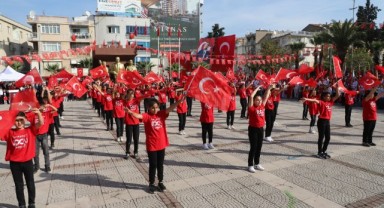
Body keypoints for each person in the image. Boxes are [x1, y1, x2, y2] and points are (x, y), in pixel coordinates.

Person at [125, 97, 183, 193]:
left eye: (157, 107)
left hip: (161, 144)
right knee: (153, 165)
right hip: (152, 145)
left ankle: (160, 182)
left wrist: (179, 101)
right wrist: (130, 112)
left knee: (160, 165)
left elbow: (170, 108)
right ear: (148, 108)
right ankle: (151, 183)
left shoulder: (161, 114)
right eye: (153, 108)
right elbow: (139, 116)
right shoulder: (147, 116)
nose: (155, 110)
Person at [1, 109, 43, 208]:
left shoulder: (30, 130)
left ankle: (32, 203)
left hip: (27, 162)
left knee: (30, 183)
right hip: (14, 164)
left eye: (21, 120)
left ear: (25, 120)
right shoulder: (9, 132)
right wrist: (10, 119)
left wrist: (38, 113)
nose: (19, 123)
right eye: (17, 120)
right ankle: (22, 204)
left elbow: (40, 123)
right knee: (18, 185)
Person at [302, 86, 340, 159]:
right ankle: (319, 152)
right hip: (321, 121)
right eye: (327, 96)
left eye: (329, 96)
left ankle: (324, 151)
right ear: (324, 97)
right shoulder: (321, 102)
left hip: (327, 122)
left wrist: (337, 88)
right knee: (321, 137)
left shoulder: (330, 102)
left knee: (328, 137)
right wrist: (306, 99)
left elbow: (337, 95)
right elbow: (315, 101)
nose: (329, 97)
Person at [247, 85, 272, 173]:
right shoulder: (251, 108)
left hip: (261, 129)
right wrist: (257, 88)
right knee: (253, 147)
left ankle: (257, 163)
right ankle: (250, 165)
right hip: (253, 129)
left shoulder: (262, 106)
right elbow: (250, 96)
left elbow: (265, 96)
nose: (259, 101)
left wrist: (269, 88)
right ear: (254, 101)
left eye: (260, 100)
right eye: (257, 100)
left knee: (259, 147)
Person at [34, 97, 57, 173]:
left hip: (44, 135)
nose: (43, 108)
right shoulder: (34, 114)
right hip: (35, 136)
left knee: (46, 151)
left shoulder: (46, 113)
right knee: (35, 153)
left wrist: (49, 105)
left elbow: (55, 110)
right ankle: (36, 166)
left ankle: (47, 166)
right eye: (41, 106)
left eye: (44, 106)